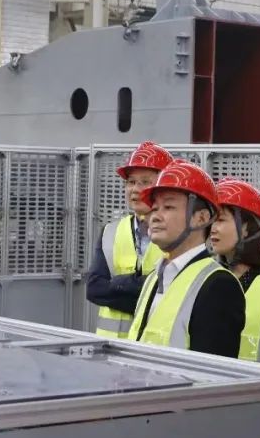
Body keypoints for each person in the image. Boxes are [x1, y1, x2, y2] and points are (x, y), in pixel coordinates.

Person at [127, 160, 244, 357]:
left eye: (168, 207)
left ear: (201, 218)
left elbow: (212, 372)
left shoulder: (219, 285)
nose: (155, 216)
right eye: (154, 208)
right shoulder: (154, 278)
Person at [86, 142, 173, 338]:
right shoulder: (110, 231)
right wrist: (142, 287)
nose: (135, 189)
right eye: (131, 182)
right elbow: (94, 289)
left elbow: (172, 291)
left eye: (145, 182)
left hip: (155, 348)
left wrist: (116, 284)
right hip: (110, 347)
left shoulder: (179, 234)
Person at [208, 177, 260, 365]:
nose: (212, 228)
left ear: (247, 228)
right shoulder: (205, 277)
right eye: (211, 220)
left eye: (220, 220)